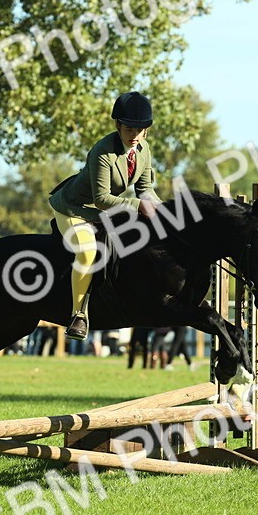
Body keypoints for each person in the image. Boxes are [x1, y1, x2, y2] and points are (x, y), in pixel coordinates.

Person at [48, 91, 162, 340]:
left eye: (140, 130)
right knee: (88, 251)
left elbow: (145, 190)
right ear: (118, 126)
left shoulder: (143, 149)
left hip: (104, 211)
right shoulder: (103, 151)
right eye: (129, 129)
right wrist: (137, 206)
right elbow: (101, 199)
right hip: (75, 208)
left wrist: (163, 208)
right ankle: (78, 315)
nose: (135, 136)